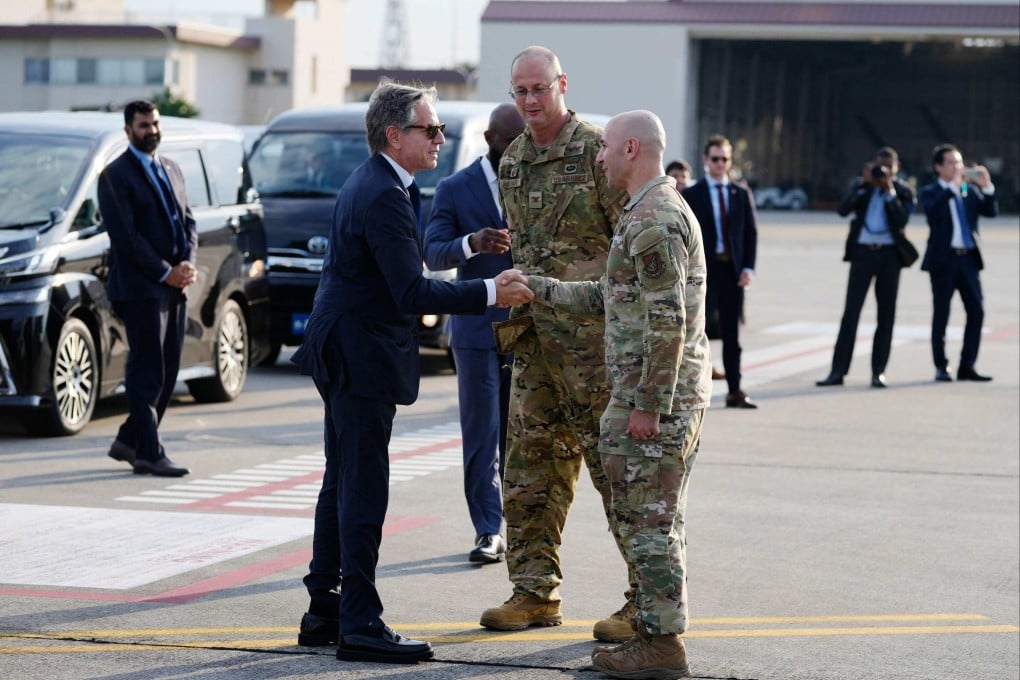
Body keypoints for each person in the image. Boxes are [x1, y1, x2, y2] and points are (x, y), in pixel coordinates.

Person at [290, 81, 534, 664]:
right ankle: (360, 623)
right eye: (430, 129)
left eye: (441, 128)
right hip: (358, 354)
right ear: (394, 135)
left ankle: (324, 609)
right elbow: (408, 289)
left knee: (342, 480)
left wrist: (471, 246)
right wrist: (488, 290)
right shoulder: (382, 192)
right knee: (362, 487)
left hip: (347, 347)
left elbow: (406, 261)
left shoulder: (385, 184)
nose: (441, 138)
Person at [522, 110, 709, 680]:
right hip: (646, 397)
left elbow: (667, 320)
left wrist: (648, 405)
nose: (598, 157)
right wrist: (541, 289)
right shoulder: (646, 211)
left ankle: (661, 643)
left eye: (605, 148)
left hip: (655, 403)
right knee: (649, 519)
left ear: (631, 148)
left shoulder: (653, 217)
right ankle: (654, 630)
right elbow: (614, 293)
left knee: (650, 523)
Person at [478, 46, 639, 644]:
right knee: (527, 470)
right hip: (537, 346)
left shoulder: (598, 152)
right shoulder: (513, 160)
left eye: (539, 89)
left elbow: (630, 244)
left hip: (597, 349)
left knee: (618, 473)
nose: (529, 101)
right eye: (520, 91)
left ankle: (643, 599)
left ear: (562, 85)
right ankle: (533, 591)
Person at [423, 103, 525, 564]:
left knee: (521, 436)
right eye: (512, 141)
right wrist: (473, 243)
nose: (521, 149)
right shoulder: (455, 188)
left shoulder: (535, 180)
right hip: (477, 330)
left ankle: (523, 530)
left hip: (528, 332)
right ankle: (488, 529)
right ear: (490, 140)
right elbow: (433, 253)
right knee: (482, 434)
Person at [98, 99, 196, 477]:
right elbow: (127, 238)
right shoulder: (113, 176)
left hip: (175, 287)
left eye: (154, 123)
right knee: (147, 370)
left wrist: (185, 264)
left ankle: (129, 439)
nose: (151, 130)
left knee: (169, 370)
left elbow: (188, 221)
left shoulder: (171, 168)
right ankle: (149, 453)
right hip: (140, 289)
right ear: (128, 131)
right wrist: (164, 271)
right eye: (143, 126)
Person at [816, 147, 916, 388]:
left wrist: (889, 191)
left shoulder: (902, 191)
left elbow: (903, 220)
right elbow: (843, 210)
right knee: (850, 313)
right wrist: (865, 185)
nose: (883, 172)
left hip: (890, 256)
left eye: (888, 168)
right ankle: (837, 372)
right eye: (879, 166)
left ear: (896, 168)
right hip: (862, 254)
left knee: (886, 315)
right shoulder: (862, 186)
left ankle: (878, 371)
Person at [681, 135, 759, 408]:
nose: (720, 164)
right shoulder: (692, 194)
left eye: (724, 159)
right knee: (696, 330)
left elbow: (751, 233)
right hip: (704, 271)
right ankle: (692, 388)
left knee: (732, 334)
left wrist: (748, 267)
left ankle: (735, 390)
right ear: (705, 160)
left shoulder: (740, 193)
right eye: (715, 159)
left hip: (732, 271)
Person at [919, 144, 998, 382]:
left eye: (959, 162)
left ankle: (968, 365)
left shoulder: (968, 190)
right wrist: (953, 186)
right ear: (938, 167)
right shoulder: (932, 191)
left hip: (969, 259)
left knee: (977, 312)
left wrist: (987, 187)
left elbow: (990, 211)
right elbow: (933, 213)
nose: (958, 167)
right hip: (944, 261)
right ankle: (941, 366)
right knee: (941, 314)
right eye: (952, 163)